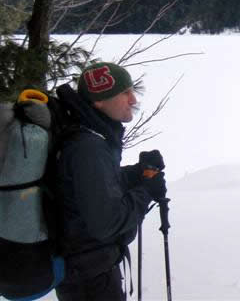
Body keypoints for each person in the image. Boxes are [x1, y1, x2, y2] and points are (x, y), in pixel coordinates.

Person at [53, 62, 167, 301]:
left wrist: (137, 173)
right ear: (99, 101)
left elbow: (93, 188)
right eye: (124, 93)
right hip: (90, 278)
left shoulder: (89, 137)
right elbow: (107, 222)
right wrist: (146, 191)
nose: (133, 100)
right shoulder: (89, 147)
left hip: (89, 270)